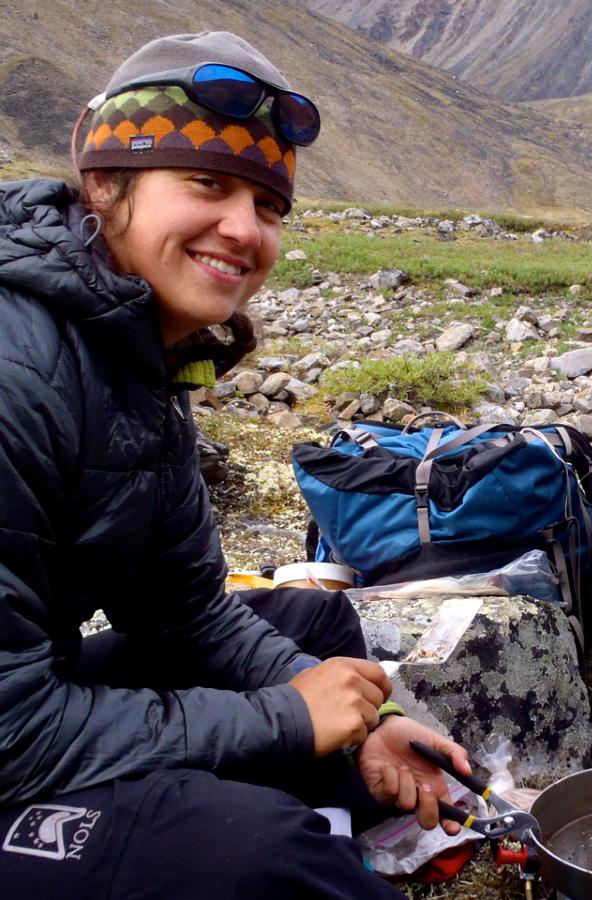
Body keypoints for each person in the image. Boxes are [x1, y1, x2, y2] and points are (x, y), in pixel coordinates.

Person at [0, 32, 470, 898]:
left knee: (316, 633)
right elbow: (12, 729)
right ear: (105, 182)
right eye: (207, 185)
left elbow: (188, 615)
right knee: (253, 853)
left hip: (33, 693)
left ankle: (351, 819)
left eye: (269, 205)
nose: (244, 231)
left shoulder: (141, 356)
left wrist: (368, 720)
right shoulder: (16, 368)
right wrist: (283, 718)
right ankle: (298, 852)